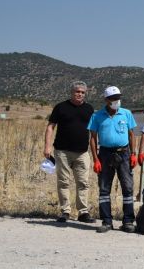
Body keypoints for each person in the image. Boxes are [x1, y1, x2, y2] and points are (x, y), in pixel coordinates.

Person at [43, 81, 96, 223]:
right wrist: (47, 146)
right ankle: (65, 211)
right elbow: (50, 127)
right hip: (62, 151)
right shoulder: (61, 107)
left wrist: (96, 149)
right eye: (77, 91)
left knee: (83, 182)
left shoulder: (89, 109)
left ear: (85, 94)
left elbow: (93, 131)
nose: (79, 94)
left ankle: (83, 212)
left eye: (82, 92)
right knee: (63, 182)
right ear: (71, 92)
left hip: (82, 153)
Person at [87, 86, 138, 233]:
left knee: (127, 188)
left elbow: (131, 135)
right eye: (113, 98)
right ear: (106, 100)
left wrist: (133, 154)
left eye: (118, 98)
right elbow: (92, 138)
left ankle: (128, 221)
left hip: (124, 153)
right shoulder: (97, 116)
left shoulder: (126, 114)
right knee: (104, 188)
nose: (117, 101)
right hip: (105, 154)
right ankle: (106, 221)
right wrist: (96, 159)